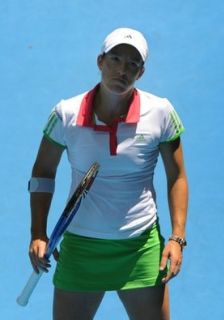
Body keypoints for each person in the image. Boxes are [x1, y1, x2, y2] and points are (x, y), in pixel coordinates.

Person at [27, 27, 188, 320]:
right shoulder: (66, 114)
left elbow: (177, 176)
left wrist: (177, 238)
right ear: (100, 61)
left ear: (141, 72)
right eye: (115, 59)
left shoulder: (161, 112)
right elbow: (43, 172)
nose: (122, 70)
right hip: (81, 249)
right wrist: (38, 232)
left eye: (132, 64)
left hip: (140, 247)